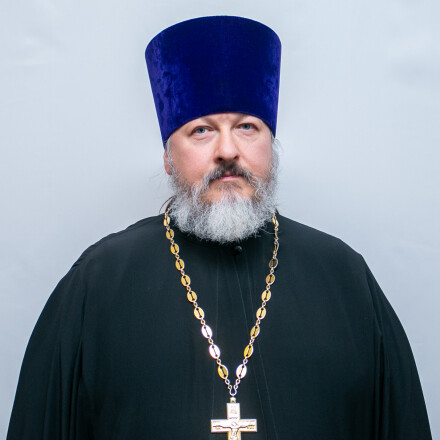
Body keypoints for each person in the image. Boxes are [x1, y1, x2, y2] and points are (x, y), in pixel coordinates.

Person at [7, 15, 431, 440]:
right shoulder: (97, 283)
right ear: (168, 157)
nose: (228, 150)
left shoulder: (344, 278)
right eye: (202, 130)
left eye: (247, 127)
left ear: (271, 146)